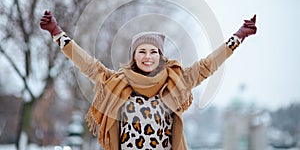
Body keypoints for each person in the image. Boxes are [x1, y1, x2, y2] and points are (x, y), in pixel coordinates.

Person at [40, 10, 257, 150]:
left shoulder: (176, 81)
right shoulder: (116, 82)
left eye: (154, 52)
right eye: (141, 51)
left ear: (161, 56)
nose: (147, 56)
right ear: (134, 56)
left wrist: (238, 36)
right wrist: (57, 33)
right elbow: (86, 63)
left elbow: (209, 64)